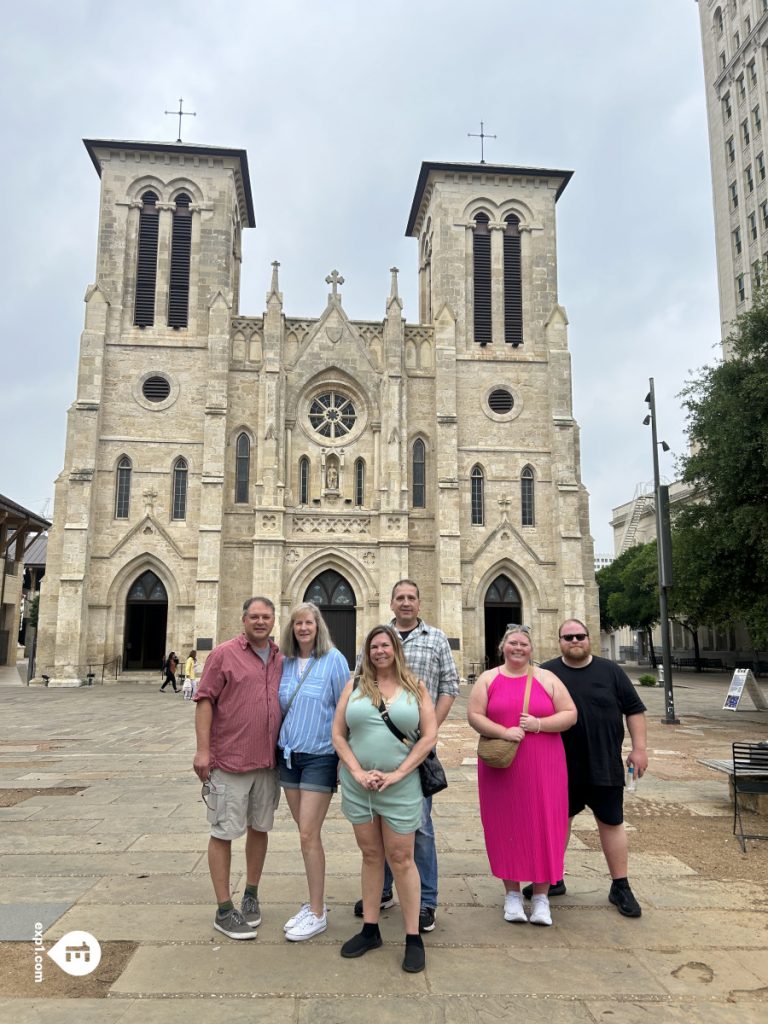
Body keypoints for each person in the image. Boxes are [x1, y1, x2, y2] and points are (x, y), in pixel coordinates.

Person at [354, 579, 459, 933]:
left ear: (419, 601)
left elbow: (450, 687)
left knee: (420, 827)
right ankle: (383, 890)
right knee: (378, 824)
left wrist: (426, 733)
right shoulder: (379, 639)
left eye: (411, 597)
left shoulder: (436, 638)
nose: (406, 603)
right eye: (399, 597)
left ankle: (426, 901)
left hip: (416, 749)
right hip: (376, 753)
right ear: (391, 602)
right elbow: (360, 682)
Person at [333, 625, 438, 973]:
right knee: (371, 855)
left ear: (395, 649)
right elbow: (338, 734)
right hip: (359, 785)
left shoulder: (416, 686)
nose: (380, 651)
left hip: (401, 785)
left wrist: (398, 773)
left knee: (402, 858)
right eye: (374, 646)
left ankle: (412, 937)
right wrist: (358, 772)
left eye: (386, 645)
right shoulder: (355, 685)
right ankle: (370, 930)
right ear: (368, 651)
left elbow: (428, 737)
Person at [530, 618, 648, 918]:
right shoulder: (545, 673)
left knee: (611, 823)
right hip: (558, 765)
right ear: (559, 641)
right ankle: (553, 878)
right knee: (558, 823)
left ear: (588, 638)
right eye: (568, 637)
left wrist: (639, 749)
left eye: (579, 636)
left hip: (603, 762)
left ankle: (620, 885)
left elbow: (634, 710)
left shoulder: (611, 671)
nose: (574, 641)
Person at [467, 626, 577, 926]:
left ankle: (541, 898)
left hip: (544, 763)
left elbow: (570, 713)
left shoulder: (547, 678)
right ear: (503, 646)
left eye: (524, 644)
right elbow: (474, 715)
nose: (518, 648)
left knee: (545, 823)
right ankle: (512, 895)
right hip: (502, 766)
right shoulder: (488, 678)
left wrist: (539, 724)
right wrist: (504, 731)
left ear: (532, 648)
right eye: (513, 643)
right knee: (506, 824)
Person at [192, 597, 283, 940]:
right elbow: (204, 701)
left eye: (266, 617)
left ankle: (251, 895)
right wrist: (203, 751)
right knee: (224, 832)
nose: (260, 622)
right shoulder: (223, 654)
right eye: (254, 616)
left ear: (274, 620)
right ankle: (223, 908)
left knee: (260, 828)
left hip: (266, 762)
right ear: (243, 619)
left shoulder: (279, 657)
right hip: (230, 760)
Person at [277, 602, 350, 941]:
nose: (304, 628)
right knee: (306, 834)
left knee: (308, 834)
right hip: (288, 757)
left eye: (309, 623)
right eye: (298, 623)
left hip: (320, 756)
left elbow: (343, 709)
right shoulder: (285, 662)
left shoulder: (334, 660)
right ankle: (314, 903)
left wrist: (341, 758)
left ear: (319, 626)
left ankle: (318, 912)